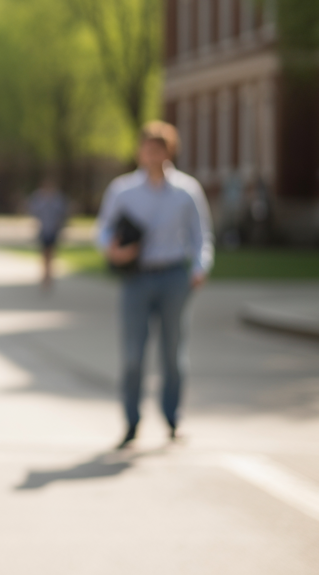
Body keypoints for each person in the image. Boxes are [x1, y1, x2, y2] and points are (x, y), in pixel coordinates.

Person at [97, 121, 214, 449]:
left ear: (169, 151)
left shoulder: (187, 191)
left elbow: (201, 235)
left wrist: (201, 266)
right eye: (147, 147)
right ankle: (131, 422)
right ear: (140, 151)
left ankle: (173, 418)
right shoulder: (122, 190)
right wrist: (113, 249)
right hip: (136, 278)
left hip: (174, 276)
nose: (152, 153)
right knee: (133, 354)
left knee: (174, 352)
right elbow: (103, 229)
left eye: (159, 147)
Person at [26, 176, 69, 290]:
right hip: (43, 229)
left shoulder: (57, 198)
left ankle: (49, 275)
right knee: (44, 254)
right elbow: (33, 210)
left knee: (51, 254)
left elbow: (63, 213)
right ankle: (45, 276)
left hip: (54, 230)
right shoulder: (38, 197)